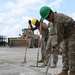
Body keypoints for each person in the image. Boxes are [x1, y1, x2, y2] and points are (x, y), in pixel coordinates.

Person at [40, 6, 75, 75]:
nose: (47, 19)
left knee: (71, 54)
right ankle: (64, 71)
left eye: (48, 17)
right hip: (66, 35)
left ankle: (72, 72)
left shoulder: (58, 19)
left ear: (51, 13)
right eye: (46, 18)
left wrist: (55, 45)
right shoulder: (53, 20)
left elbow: (59, 35)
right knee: (65, 53)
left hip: (73, 34)